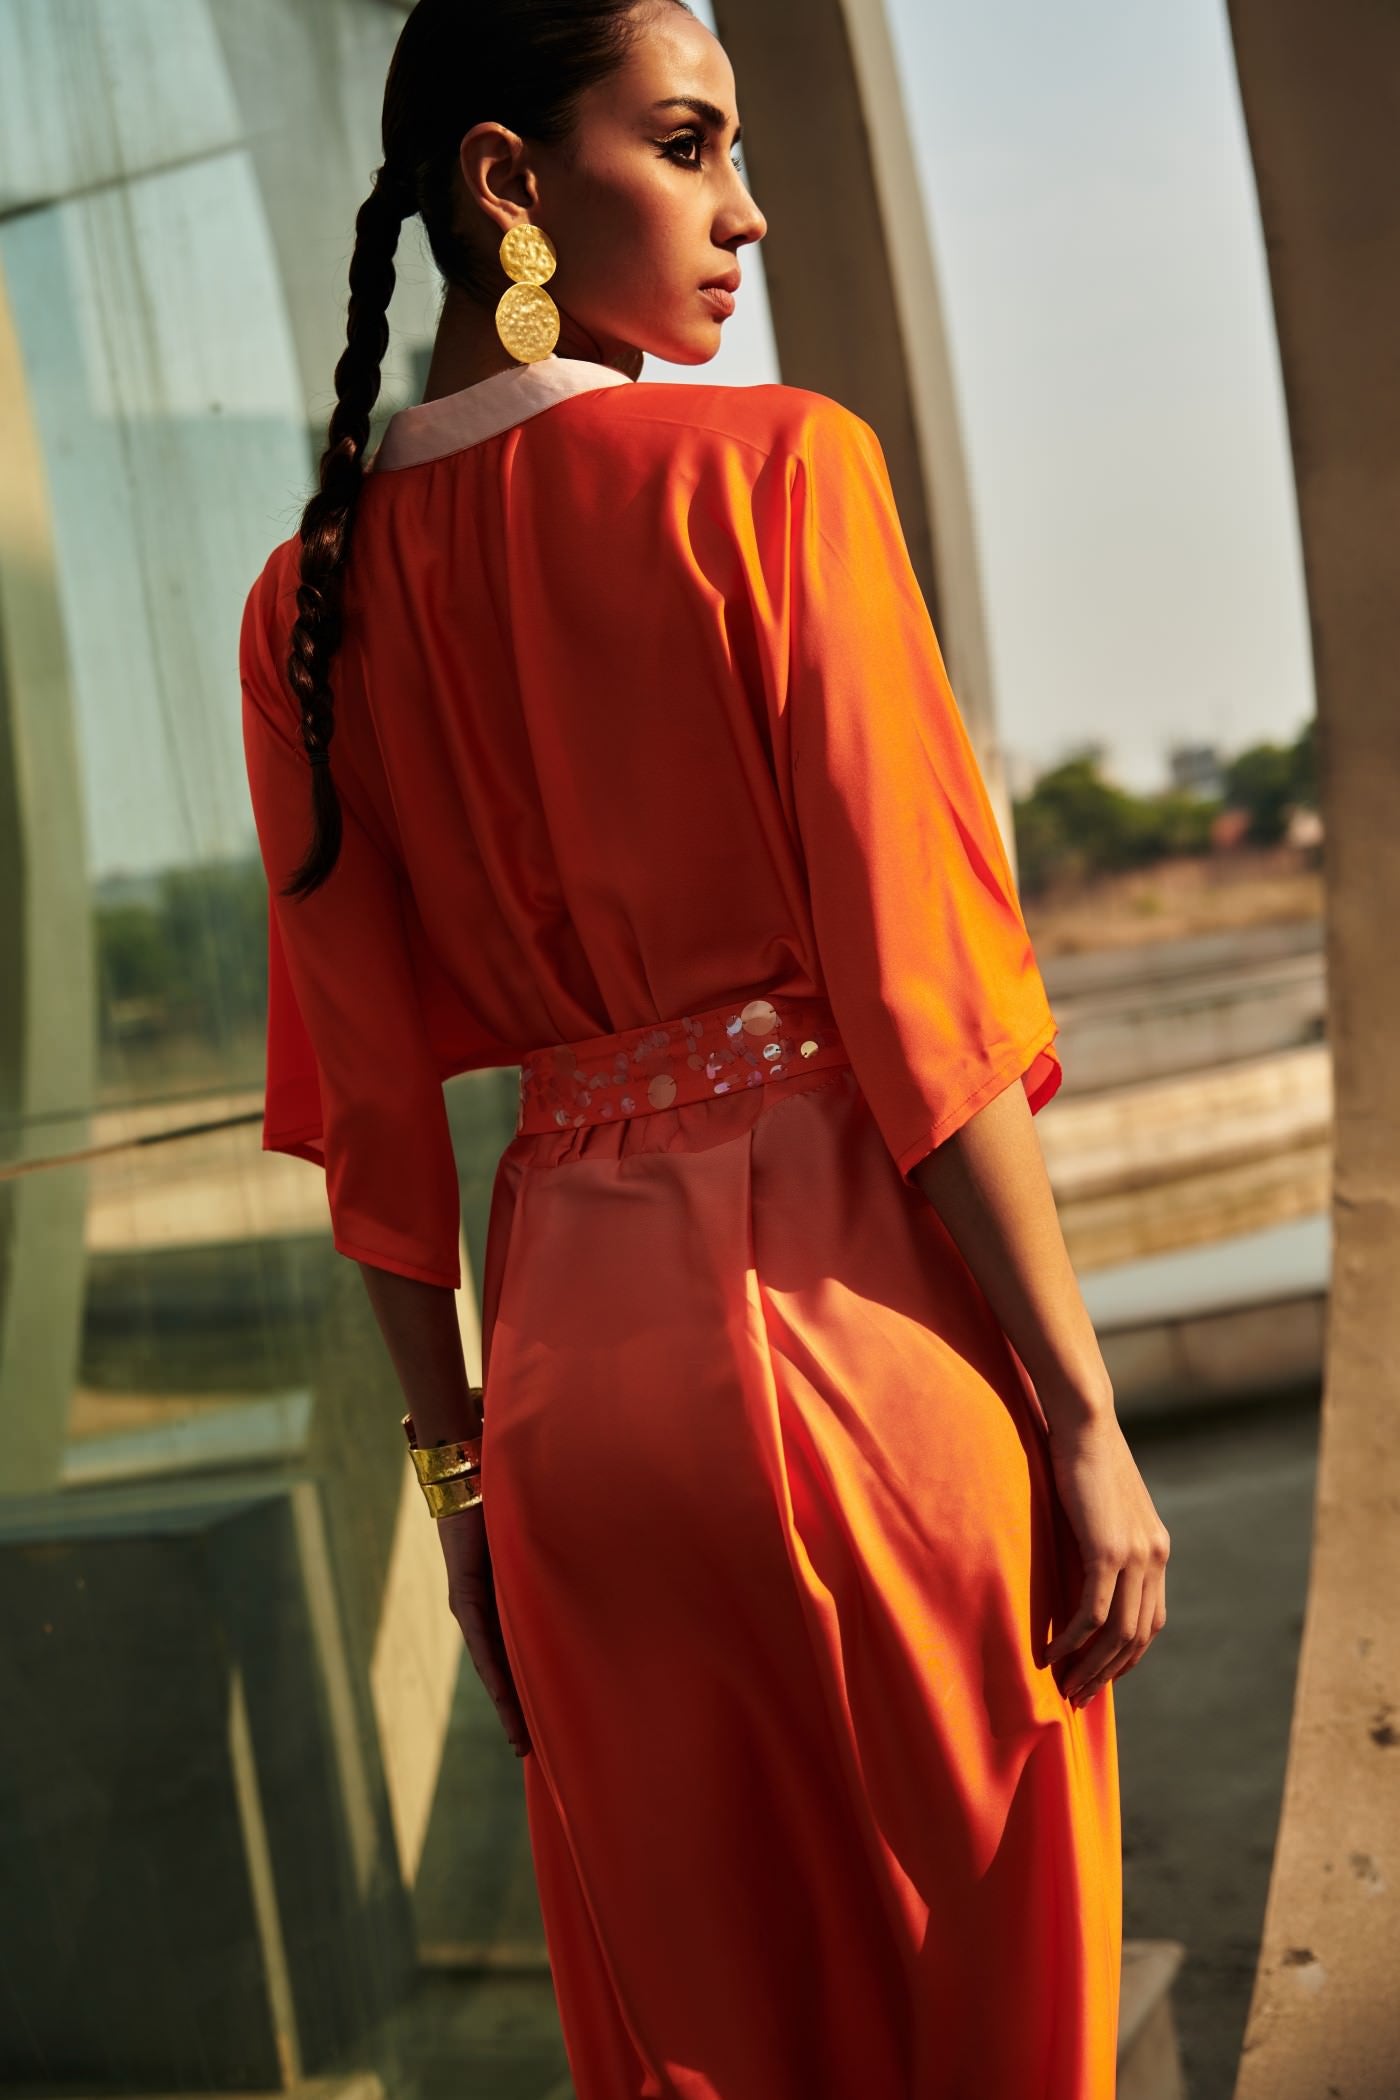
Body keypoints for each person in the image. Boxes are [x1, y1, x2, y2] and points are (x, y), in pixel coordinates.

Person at [238, 1, 1170, 2093]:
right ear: (510, 184)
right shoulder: (778, 473)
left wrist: (471, 1503)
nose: (745, 213)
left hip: (577, 1424)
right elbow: (922, 1010)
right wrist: (1088, 1425)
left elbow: (376, 1137)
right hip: (873, 1369)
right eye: (687, 144)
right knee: (989, 2024)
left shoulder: (302, 606)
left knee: (705, 2049)